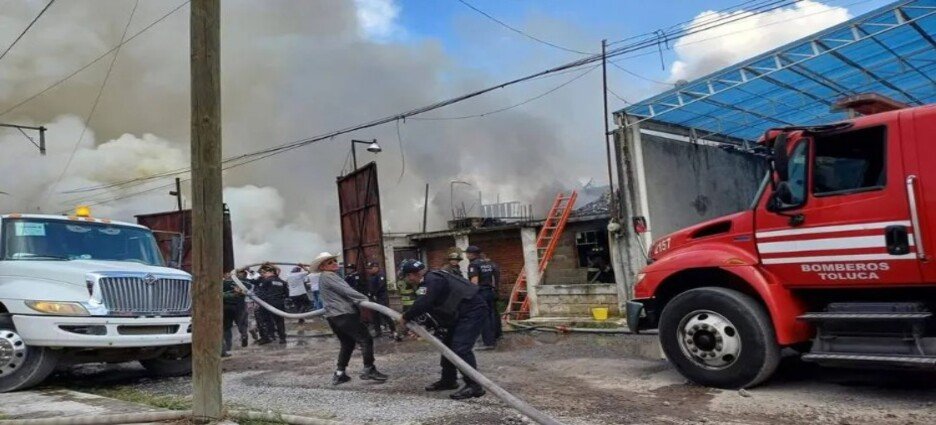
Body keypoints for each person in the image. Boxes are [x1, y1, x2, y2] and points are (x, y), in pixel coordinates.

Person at [398, 259, 487, 400]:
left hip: (471, 312)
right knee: (447, 345)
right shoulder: (432, 278)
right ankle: (448, 380)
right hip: (458, 313)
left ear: (411, 275)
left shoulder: (431, 280)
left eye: (406, 277)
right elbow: (433, 308)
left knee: (460, 348)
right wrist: (421, 326)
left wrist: (406, 317)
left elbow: (423, 303)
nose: (408, 281)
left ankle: (474, 386)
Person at [312, 252, 387, 385]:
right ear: (323, 267)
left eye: (334, 260)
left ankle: (340, 373)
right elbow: (346, 290)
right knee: (366, 339)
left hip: (334, 316)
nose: (334, 263)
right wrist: (365, 300)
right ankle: (368, 369)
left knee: (347, 343)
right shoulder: (329, 276)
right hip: (344, 314)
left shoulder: (325, 277)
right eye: (330, 262)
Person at [466, 246, 501, 349]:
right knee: (492, 315)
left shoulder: (473, 264)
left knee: (483, 317)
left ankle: (488, 343)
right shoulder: (488, 263)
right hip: (490, 292)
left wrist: (471, 295)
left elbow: (474, 281)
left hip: (481, 293)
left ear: (472, 254)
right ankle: (495, 338)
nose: (466, 255)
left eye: (467, 253)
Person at [255, 262, 289, 345]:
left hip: (267, 304)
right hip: (279, 304)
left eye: (266, 272)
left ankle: (268, 337)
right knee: (280, 321)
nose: (265, 274)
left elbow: (260, 293)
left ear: (272, 272)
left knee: (266, 321)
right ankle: (282, 338)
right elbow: (287, 294)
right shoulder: (282, 282)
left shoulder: (266, 281)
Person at [365, 261, 397, 339]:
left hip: (381, 298)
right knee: (375, 315)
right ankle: (378, 332)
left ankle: (393, 331)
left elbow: (380, 286)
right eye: (368, 268)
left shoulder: (381, 275)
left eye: (371, 268)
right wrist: (370, 295)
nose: (369, 270)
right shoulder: (371, 276)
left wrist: (374, 294)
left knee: (385, 314)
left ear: (376, 267)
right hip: (374, 298)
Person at [222, 272, 248, 357]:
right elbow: (249, 290)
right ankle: (244, 335)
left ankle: (228, 346)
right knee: (241, 324)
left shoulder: (222, 283)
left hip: (226, 307)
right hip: (239, 307)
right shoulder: (240, 283)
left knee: (227, 327)